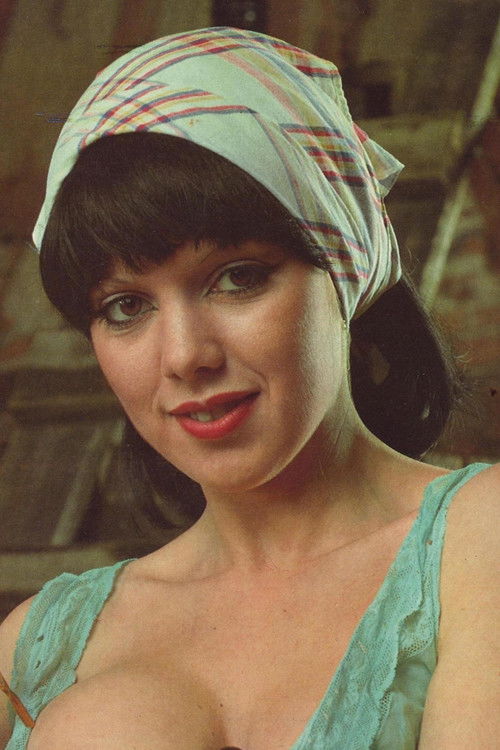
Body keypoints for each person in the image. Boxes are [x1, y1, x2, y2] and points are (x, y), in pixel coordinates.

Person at [0, 26, 498, 750]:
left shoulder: (478, 539)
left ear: (346, 267)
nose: (185, 357)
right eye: (126, 307)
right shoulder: (34, 646)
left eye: (238, 278)